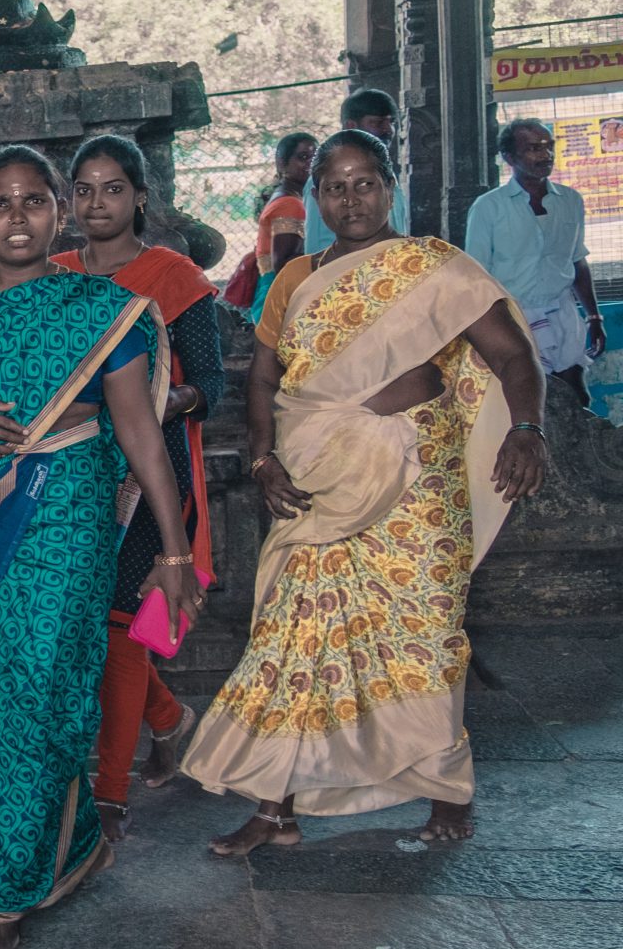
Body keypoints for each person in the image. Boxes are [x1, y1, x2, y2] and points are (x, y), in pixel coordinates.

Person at [186, 130, 548, 853]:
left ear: (390, 187)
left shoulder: (433, 267)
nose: (351, 199)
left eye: (365, 183)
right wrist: (262, 460)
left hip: (416, 485)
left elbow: (511, 356)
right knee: (291, 637)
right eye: (335, 186)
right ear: (316, 195)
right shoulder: (295, 278)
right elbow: (264, 378)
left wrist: (528, 428)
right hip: (318, 482)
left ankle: (445, 786)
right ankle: (275, 806)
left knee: (423, 635)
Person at [0, 146, 202, 949]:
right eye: (0, 204)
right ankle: (72, 842)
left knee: (35, 689)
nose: (17, 216)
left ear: (59, 214)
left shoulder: (105, 307)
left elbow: (140, 434)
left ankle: (3, 895)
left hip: (68, 522)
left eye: (34, 201)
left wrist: (172, 550)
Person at [53, 135, 226, 841]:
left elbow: (210, 384)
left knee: (123, 629)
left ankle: (111, 796)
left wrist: (155, 400)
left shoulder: (174, 276)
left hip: (150, 470)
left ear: (140, 196)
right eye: (85, 189)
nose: (99, 202)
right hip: (72, 469)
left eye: (113, 188)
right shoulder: (53, 273)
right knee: (83, 624)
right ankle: (170, 719)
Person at [465, 116, 604, 407]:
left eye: (548, 146)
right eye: (533, 148)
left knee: (576, 397)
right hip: (515, 318)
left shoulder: (570, 201)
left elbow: (577, 262)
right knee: (528, 402)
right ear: (509, 157)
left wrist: (593, 317)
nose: (545, 155)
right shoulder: (488, 208)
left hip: (562, 313)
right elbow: (476, 277)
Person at [301, 88, 410, 255]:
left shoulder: (386, 176)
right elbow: (317, 247)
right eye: (378, 122)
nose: (388, 130)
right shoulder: (325, 181)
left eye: (392, 122)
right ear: (351, 125)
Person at [231, 131, 317, 324]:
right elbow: (284, 264)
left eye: (315, 157)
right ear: (282, 163)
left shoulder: (290, 196)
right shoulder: (290, 204)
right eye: (303, 157)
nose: (310, 164)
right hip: (280, 295)